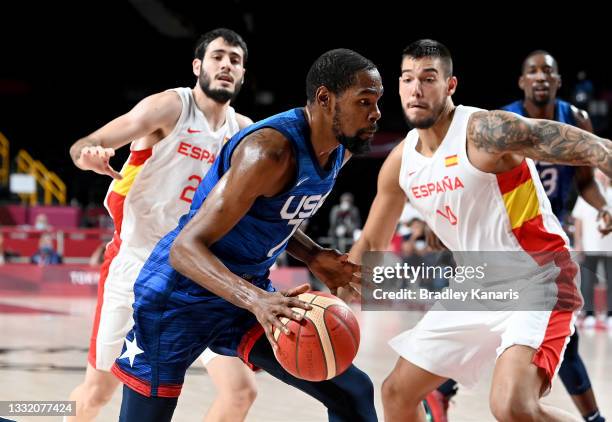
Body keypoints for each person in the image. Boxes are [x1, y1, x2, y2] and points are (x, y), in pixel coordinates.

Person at [111, 48, 382, 422]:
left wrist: (314, 255)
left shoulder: (339, 150)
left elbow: (272, 215)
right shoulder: (268, 151)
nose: (376, 113)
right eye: (364, 101)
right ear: (325, 99)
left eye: (378, 101)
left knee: (352, 392)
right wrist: (256, 300)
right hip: (180, 295)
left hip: (243, 294)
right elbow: (185, 248)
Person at [348, 39, 612, 422]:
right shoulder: (401, 161)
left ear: (450, 86)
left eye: (428, 78)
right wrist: (333, 290)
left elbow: (550, 138)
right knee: (396, 394)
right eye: (407, 79)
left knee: (512, 407)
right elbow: (371, 241)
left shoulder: (484, 130)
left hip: (539, 277)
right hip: (474, 284)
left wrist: (606, 153)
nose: (416, 89)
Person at [67, 28, 259, 422]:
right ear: (197, 66)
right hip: (137, 263)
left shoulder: (243, 131)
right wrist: (89, 154)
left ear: (242, 75)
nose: (226, 64)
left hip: (195, 273)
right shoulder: (170, 107)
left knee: (241, 392)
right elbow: (88, 142)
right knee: (97, 392)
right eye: (218, 56)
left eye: (235, 60)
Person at [429, 50, 611, 422]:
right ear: (522, 81)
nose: (541, 76)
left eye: (549, 71)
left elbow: (586, 180)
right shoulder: (501, 121)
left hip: (546, 240)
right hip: (504, 241)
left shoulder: (577, 120)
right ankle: (592, 417)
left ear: (559, 82)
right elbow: (467, 178)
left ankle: (441, 391)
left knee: (554, 338)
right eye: (533, 71)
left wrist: (603, 207)